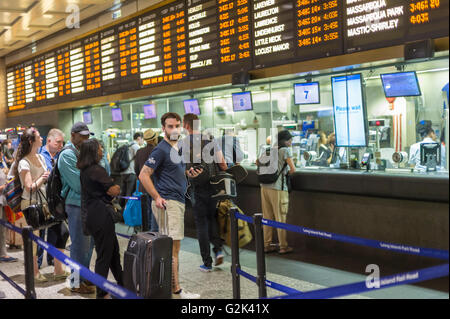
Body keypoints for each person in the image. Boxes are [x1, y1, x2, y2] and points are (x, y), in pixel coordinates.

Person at [139, 112, 201, 299]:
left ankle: (167, 286)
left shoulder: (177, 148)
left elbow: (173, 172)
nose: (174, 129)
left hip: (177, 201)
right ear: (163, 128)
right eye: (170, 126)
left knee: (171, 247)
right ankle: (177, 290)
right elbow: (143, 175)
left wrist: (189, 173)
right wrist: (157, 197)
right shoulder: (161, 149)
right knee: (173, 248)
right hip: (168, 202)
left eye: (177, 125)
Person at [14, 127, 69, 282]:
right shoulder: (23, 162)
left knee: (62, 231)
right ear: (31, 141)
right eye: (38, 136)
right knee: (33, 241)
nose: (42, 138)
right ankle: (34, 273)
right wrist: (43, 178)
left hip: (46, 203)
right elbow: (29, 187)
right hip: (31, 205)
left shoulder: (41, 157)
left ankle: (58, 269)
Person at [180, 113, 228, 272]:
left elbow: (181, 169)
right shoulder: (210, 140)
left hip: (196, 188)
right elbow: (223, 164)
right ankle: (218, 250)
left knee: (201, 224)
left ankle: (206, 263)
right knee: (212, 219)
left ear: (186, 126)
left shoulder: (183, 144)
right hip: (213, 187)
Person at [78, 139, 123, 299]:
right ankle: (101, 292)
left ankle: (123, 285)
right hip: (102, 216)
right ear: (92, 151)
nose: (102, 151)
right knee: (105, 255)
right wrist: (116, 187)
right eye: (99, 148)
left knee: (112, 252)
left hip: (93, 214)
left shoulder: (85, 170)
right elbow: (113, 190)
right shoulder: (97, 170)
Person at [58, 122, 95, 294]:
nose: (86, 139)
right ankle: (75, 282)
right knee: (79, 245)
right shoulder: (67, 155)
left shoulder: (83, 153)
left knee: (88, 245)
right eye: (83, 136)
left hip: (89, 204)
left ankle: (84, 278)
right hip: (75, 205)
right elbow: (79, 184)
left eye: (88, 136)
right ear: (73, 135)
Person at [258, 130, 295, 254]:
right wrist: (285, 173)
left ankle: (266, 245)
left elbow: (257, 162)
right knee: (280, 217)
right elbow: (293, 169)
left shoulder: (269, 149)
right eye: (290, 139)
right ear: (285, 140)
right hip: (278, 188)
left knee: (267, 217)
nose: (291, 142)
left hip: (264, 187)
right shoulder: (285, 150)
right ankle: (283, 246)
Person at [37, 128, 66, 269]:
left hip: (56, 201)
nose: (61, 145)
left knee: (56, 231)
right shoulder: (38, 155)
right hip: (41, 200)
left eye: (62, 142)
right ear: (49, 140)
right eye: (58, 142)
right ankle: (37, 263)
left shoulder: (62, 155)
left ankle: (51, 260)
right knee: (40, 232)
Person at [134, 129, 159, 232]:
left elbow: (136, 170)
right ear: (154, 139)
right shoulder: (158, 151)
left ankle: (146, 234)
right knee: (155, 213)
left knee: (145, 211)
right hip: (155, 187)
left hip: (143, 186)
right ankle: (153, 235)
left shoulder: (139, 151)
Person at [0, 148, 18, 263]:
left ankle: (3, 252)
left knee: (2, 229)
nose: (1, 154)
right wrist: (5, 186)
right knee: (1, 230)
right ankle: (3, 254)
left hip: (3, 202)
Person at [119, 132, 143, 207]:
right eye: (143, 139)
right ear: (139, 138)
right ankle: (127, 213)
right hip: (131, 173)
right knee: (129, 194)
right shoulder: (136, 147)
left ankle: (121, 212)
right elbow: (140, 160)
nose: (143, 141)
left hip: (124, 172)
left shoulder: (127, 145)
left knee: (123, 193)